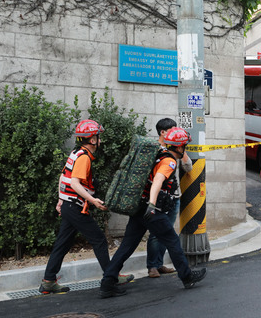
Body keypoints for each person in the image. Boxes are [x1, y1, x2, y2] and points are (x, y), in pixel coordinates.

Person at [99, 127, 206, 298]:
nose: (185, 148)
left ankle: (107, 282)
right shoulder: (169, 162)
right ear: (179, 147)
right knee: (172, 241)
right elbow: (157, 181)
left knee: (127, 246)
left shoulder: (159, 154)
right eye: (184, 145)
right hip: (151, 210)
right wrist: (152, 204)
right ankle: (186, 276)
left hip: (140, 208)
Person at [40, 119, 133, 294]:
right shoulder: (84, 158)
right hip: (75, 207)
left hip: (69, 205)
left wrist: (61, 199)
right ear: (92, 140)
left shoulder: (75, 153)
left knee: (62, 243)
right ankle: (111, 278)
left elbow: (63, 178)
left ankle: (48, 281)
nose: (100, 141)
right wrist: (93, 200)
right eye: (98, 137)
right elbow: (74, 183)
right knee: (98, 239)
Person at [146, 118, 193, 279]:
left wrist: (182, 148)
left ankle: (159, 264)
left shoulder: (176, 149)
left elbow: (189, 167)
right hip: (158, 201)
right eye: (171, 130)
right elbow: (157, 178)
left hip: (174, 198)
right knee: (156, 234)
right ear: (162, 133)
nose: (174, 133)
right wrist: (152, 202)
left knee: (167, 233)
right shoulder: (155, 150)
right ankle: (152, 266)